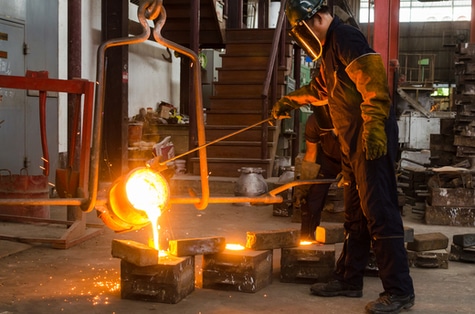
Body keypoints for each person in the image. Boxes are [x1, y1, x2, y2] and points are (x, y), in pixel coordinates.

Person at [271, 1, 415, 313]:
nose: (302, 36)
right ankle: (350, 279)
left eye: (301, 29)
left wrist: (375, 129)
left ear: (318, 17)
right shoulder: (328, 50)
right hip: (351, 143)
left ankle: (400, 291)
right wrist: (290, 101)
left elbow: (374, 85)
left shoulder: (346, 38)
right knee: (354, 215)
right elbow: (320, 90)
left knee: (380, 212)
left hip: (369, 141)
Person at [296, 110, 341, 241]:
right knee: (312, 197)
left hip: (352, 159)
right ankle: (307, 235)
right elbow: (311, 154)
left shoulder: (351, 119)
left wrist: (349, 171)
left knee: (357, 202)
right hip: (327, 159)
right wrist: (304, 185)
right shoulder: (314, 121)